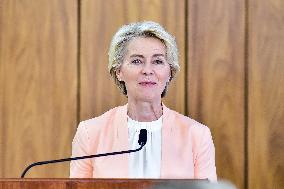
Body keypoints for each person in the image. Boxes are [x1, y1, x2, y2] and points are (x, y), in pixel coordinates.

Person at [70, 21, 217, 181]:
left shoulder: (197, 135)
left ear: (170, 72)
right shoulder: (90, 133)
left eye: (158, 61)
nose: (147, 71)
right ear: (119, 71)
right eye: (136, 61)